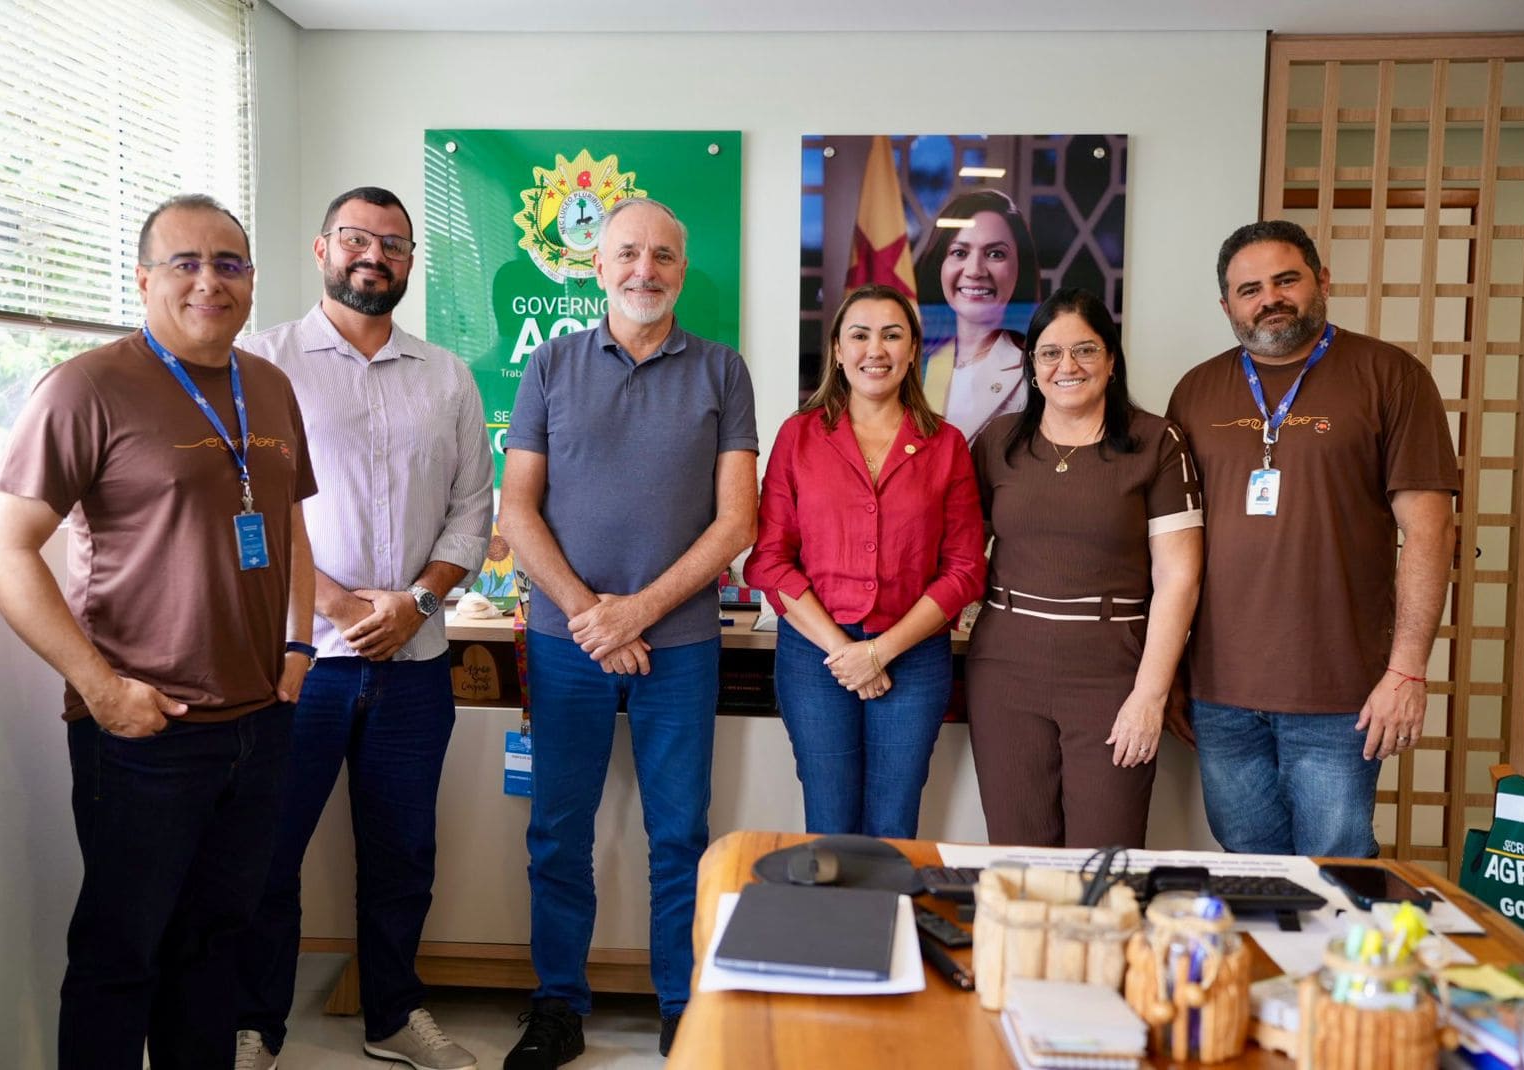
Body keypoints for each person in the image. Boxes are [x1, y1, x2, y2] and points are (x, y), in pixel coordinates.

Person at [0, 194, 316, 1070]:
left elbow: (291, 527)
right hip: (146, 731)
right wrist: (103, 690)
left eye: (229, 264)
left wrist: (301, 646)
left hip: (258, 723)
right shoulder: (87, 386)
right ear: (144, 280)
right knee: (122, 959)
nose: (210, 281)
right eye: (186, 263)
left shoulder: (268, 384)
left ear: (251, 280)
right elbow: (1, 552)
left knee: (214, 951)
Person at [496, 197, 758, 1068]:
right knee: (558, 831)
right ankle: (557, 1006)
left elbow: (735, 525)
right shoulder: (549, 367)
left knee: (679, 834)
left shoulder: (724, 372)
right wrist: (589, 616)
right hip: (563, 643)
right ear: (597, 265)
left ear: (684, 270)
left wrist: (634, 614)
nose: (646, 270)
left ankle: (682, 1008)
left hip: (678, 645)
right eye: (628, 254)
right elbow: (518, 511)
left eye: (664, 257)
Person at [233, 187, 491, 1070]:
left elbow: (471, 511)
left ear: (412, 261)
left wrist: (415, 601)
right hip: (300, 664)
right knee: (269, 854)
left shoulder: (448, 376)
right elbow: (251, 508)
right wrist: (339, 605)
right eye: (355, 238)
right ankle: (256, 1027)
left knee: (402, 855)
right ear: (321, 249)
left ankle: (393, 1016)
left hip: (415, 663)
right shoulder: (261, 365)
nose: (372, 255)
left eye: (392, 242)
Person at [1166, 219, 1457, 857]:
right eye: (1248, 289)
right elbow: (1169, 549)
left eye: (1285, 279)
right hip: (1220, 691)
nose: (1268, 298)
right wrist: (1169, 672)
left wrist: (1407, 670)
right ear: (1226, 306)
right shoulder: (1194, 392)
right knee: (1247, 868)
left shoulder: (1391, 377)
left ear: (1322, 281)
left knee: (1337, 867)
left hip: (1341, 691)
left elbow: (1430, 532)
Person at [744, 283, 985, 838]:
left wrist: (879, 652)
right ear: (837, 349)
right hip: (816, 658)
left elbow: (965, 568)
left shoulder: (946, 445)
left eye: (892, 335)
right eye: (860, 335)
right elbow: (770, 560)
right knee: (828, 820)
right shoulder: (798, 436)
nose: (875, 350)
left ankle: (886, 928)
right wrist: (847, 652)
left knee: (893, 823)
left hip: (914, 657)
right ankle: (832, 928)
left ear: (912, 350)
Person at [966, 288, 1203, 848]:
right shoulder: (998, 443)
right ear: (1032, 365)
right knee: (1018, 861)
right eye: (1050, 353)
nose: (1066, 366)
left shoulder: (1156, 443)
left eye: (1085, 350)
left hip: (1113, 676)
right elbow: (959, 553)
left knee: (1105, 861)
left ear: (1112, 359)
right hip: (1005, 672)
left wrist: (1150, 695)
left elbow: (1180, 577)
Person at [914, 189, 1042, 443]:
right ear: (940, 264)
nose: (974, 271)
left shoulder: (1037, 370)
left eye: (995, 254)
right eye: (959, 253)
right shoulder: (913, 363)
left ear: (1020, 267)